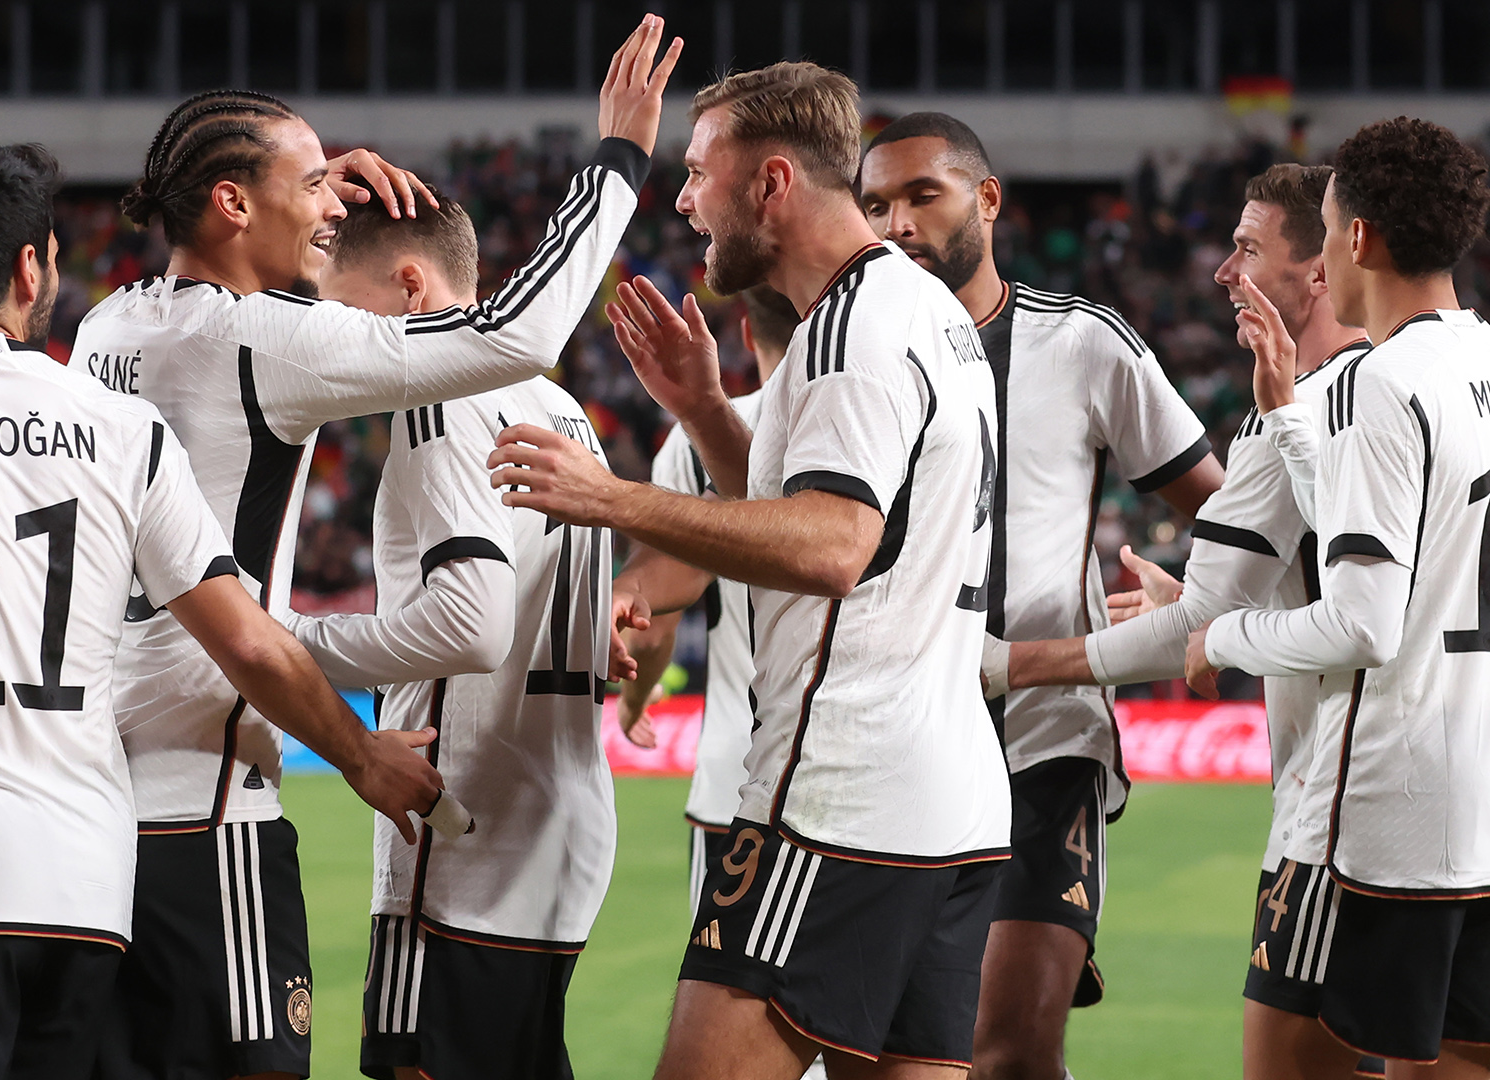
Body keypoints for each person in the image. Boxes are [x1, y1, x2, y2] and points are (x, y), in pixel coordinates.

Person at [0, 140, 439, 1080]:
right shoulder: (121, 432)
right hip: (85, 897)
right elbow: (250, 643)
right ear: (29, 267)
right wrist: (361, 753)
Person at [74, 17, 678, 1080]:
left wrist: (298, 194)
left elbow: (226, 289)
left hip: (92, 803)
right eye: (311, 184)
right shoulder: (270, 342)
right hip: (214, 809)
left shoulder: (107, 329)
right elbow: (515, 337)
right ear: (232, 202)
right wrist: (619, 160)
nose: (329, 204)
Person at [487, 62, 1008, 1078]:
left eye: (694, 172)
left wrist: (608, 498)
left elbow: (831, 548)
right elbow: (852, 527)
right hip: (950, 802)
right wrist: (705, 414)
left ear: (769, 183)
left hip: (836, 797)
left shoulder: (853, 327)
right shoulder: (917, 310)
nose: (682, 200)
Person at [982, 164, 1382, 1079]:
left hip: (1343, 809)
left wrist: (1008, 665)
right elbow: (1364, 589)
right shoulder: (1417, 392)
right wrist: (1220, 612)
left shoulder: (1300, 411)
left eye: (1246, 249)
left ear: (1317, 270)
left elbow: (1200, 627)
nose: (1223, 272)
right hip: (1459, 809)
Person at [1187, 117, 1490, 1079]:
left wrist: (1227, 634)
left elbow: (1362, 619)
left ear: (1356, 238)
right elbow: (1415, 547)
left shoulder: (1380, 380)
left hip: (1398, 816)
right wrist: (1290, 424)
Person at [855, 111, 1223, 1079]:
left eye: (920, 196)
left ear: (986, 199)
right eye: (876, 204)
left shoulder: (1085, 345)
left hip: (1043, 738)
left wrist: (1205, 595)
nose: (896, 224)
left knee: (1009, 1046)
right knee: (902, 1051)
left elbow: (1225, 515)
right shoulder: (852, 362)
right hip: (894, 739)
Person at [281, 187, 618, 1080]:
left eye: (343, 312)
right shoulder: (560, 407)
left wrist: (290, 640)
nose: (334, 345)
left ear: (409, 288)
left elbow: (472, 624)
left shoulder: (436, 402)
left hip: (467, 826)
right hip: (563, 818)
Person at [610, 284, 802, 916]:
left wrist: (635, 702)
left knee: (721, 1006)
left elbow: (654, 620)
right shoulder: (882, 418)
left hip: (735, 781)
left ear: (746, 334)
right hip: (871, 790)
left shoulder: (694, 440)